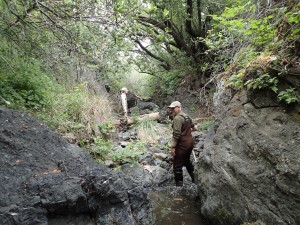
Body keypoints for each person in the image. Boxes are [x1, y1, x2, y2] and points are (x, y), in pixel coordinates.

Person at [168, 101, 198, 187]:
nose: (171, 110)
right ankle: (195, 180)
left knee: (177, 166)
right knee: (187, 161)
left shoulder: (177, 118)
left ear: (178, 107)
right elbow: (195, 128)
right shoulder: (187, 116)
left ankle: (179, 188)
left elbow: (176, 134)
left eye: (173, 108)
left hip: (182, 145)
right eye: (171, 109)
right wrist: (188, 131)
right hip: (190, 144)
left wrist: (173, 147)